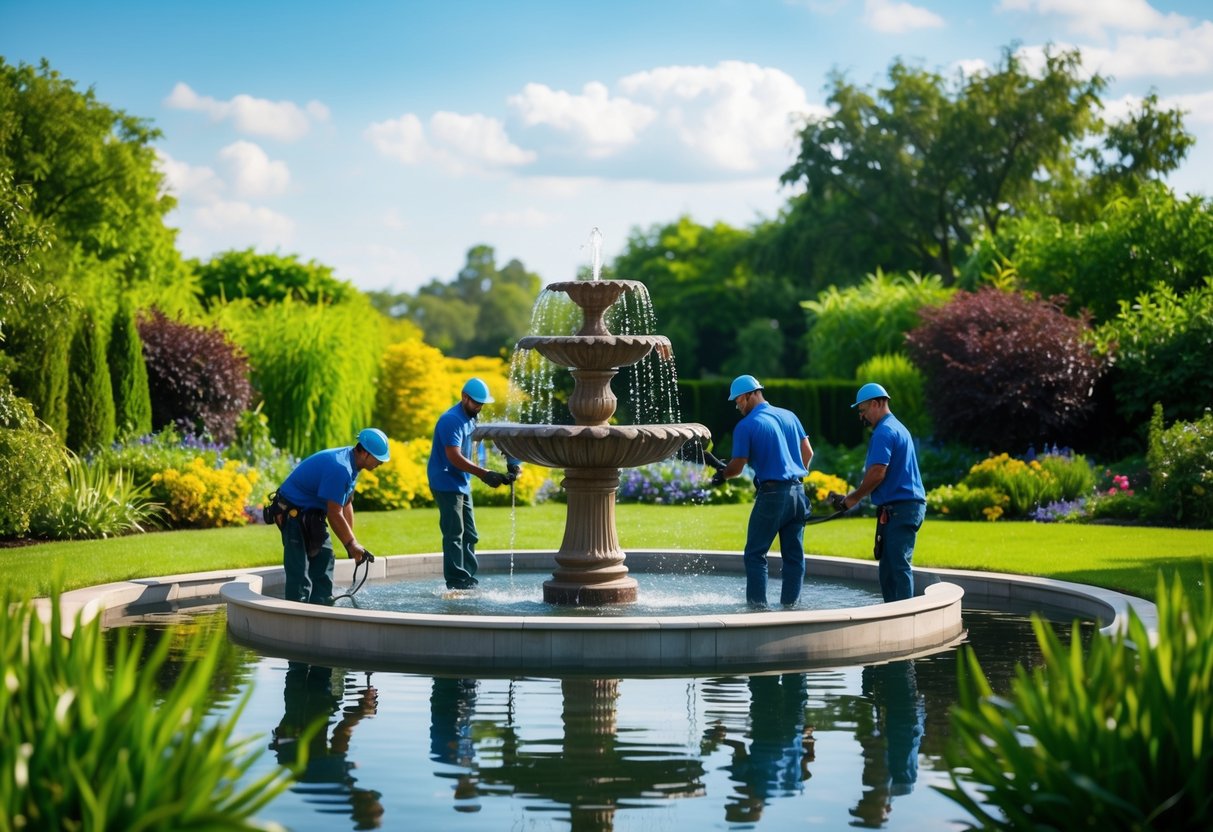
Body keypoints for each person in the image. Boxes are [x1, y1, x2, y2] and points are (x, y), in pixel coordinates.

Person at [713, 375, 813, 607]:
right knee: (794, 557)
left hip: (772, 495)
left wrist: (722, 474)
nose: (737, 406)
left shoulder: (746, 425)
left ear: (749, 395)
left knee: (755, 555)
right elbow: (808, 453)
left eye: (738, 401)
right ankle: (791, 608)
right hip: (798, 493)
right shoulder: (790, 415)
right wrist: (796, 474)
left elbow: (737, 466)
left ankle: (757, 611)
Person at [271, 427, 388, 605]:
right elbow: (334, 513)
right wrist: (351, 544)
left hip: (312, 514)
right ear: (364, 453)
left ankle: (323, 606)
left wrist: (352, 545)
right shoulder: (340, 468)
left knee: (325, 557)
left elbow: (346, 503)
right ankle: (296, 613)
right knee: (299, 571)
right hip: (291, 512)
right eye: (378, 459)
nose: (380, 463)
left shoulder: (352, 465)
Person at [831, 383, 926, 602]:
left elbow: (877, 473)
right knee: (889, 568)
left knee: (897, 566)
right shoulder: (898, 427)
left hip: (902, 508)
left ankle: (903, 618)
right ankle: (893, 613)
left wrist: (852, 498)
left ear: (876, 403)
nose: (861, 417)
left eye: (863, 411)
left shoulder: (884, 431)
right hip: (901, 507)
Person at [427, 378, 518, 590]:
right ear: (464, 397)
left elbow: (493, 436)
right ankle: (457, 583)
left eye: (482, 403)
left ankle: (468, 580)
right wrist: (484, 474)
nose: (479, 406)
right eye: (476, 402)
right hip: (445, 481)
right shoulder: (451, 420)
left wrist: (512, 462)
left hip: (461, 482)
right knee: (454, 534)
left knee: (470, 534)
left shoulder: (472, 416)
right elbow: (454, 457)